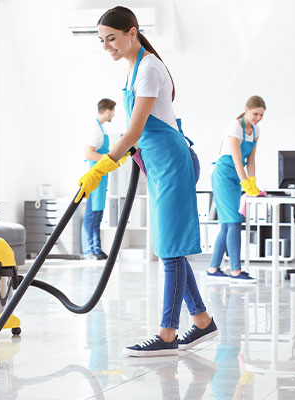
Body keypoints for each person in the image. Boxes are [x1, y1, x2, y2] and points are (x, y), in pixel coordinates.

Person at [77, 6, 217, 357]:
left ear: (132, 32)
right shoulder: (132, 70)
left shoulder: (149, 68)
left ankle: (167, 334)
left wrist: (101, 167)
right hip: (157, 163)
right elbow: (138, 133)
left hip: (172, 162)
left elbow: (136, 130)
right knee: (171, 248)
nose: (106, 45)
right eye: (102, 40)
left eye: (112, 38)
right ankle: (202, 322)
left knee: (169, 251)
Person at [208, 96, 266, 283]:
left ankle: (213, 268)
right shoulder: (235, 127)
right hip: (224, 175)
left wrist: (253, 182)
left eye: (262, 115)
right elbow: (235, 158)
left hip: (237, 176)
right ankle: (235, 270)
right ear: (247, 109)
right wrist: (245, 184)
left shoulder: (255, 131)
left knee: (227, 224)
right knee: (233, 222)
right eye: (256, 113)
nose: (258, 118)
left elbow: (251, 160)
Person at [81, 98, 116, 260]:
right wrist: (107, 159)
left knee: (98, 213)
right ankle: (89, 250)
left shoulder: (100, 128)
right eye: (113, 111)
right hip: (94, 175)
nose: (113, 114)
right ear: (108, 111)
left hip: (101, 176)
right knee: (92, 213)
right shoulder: (94, 129)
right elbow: (89, 153)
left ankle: (96, 248)